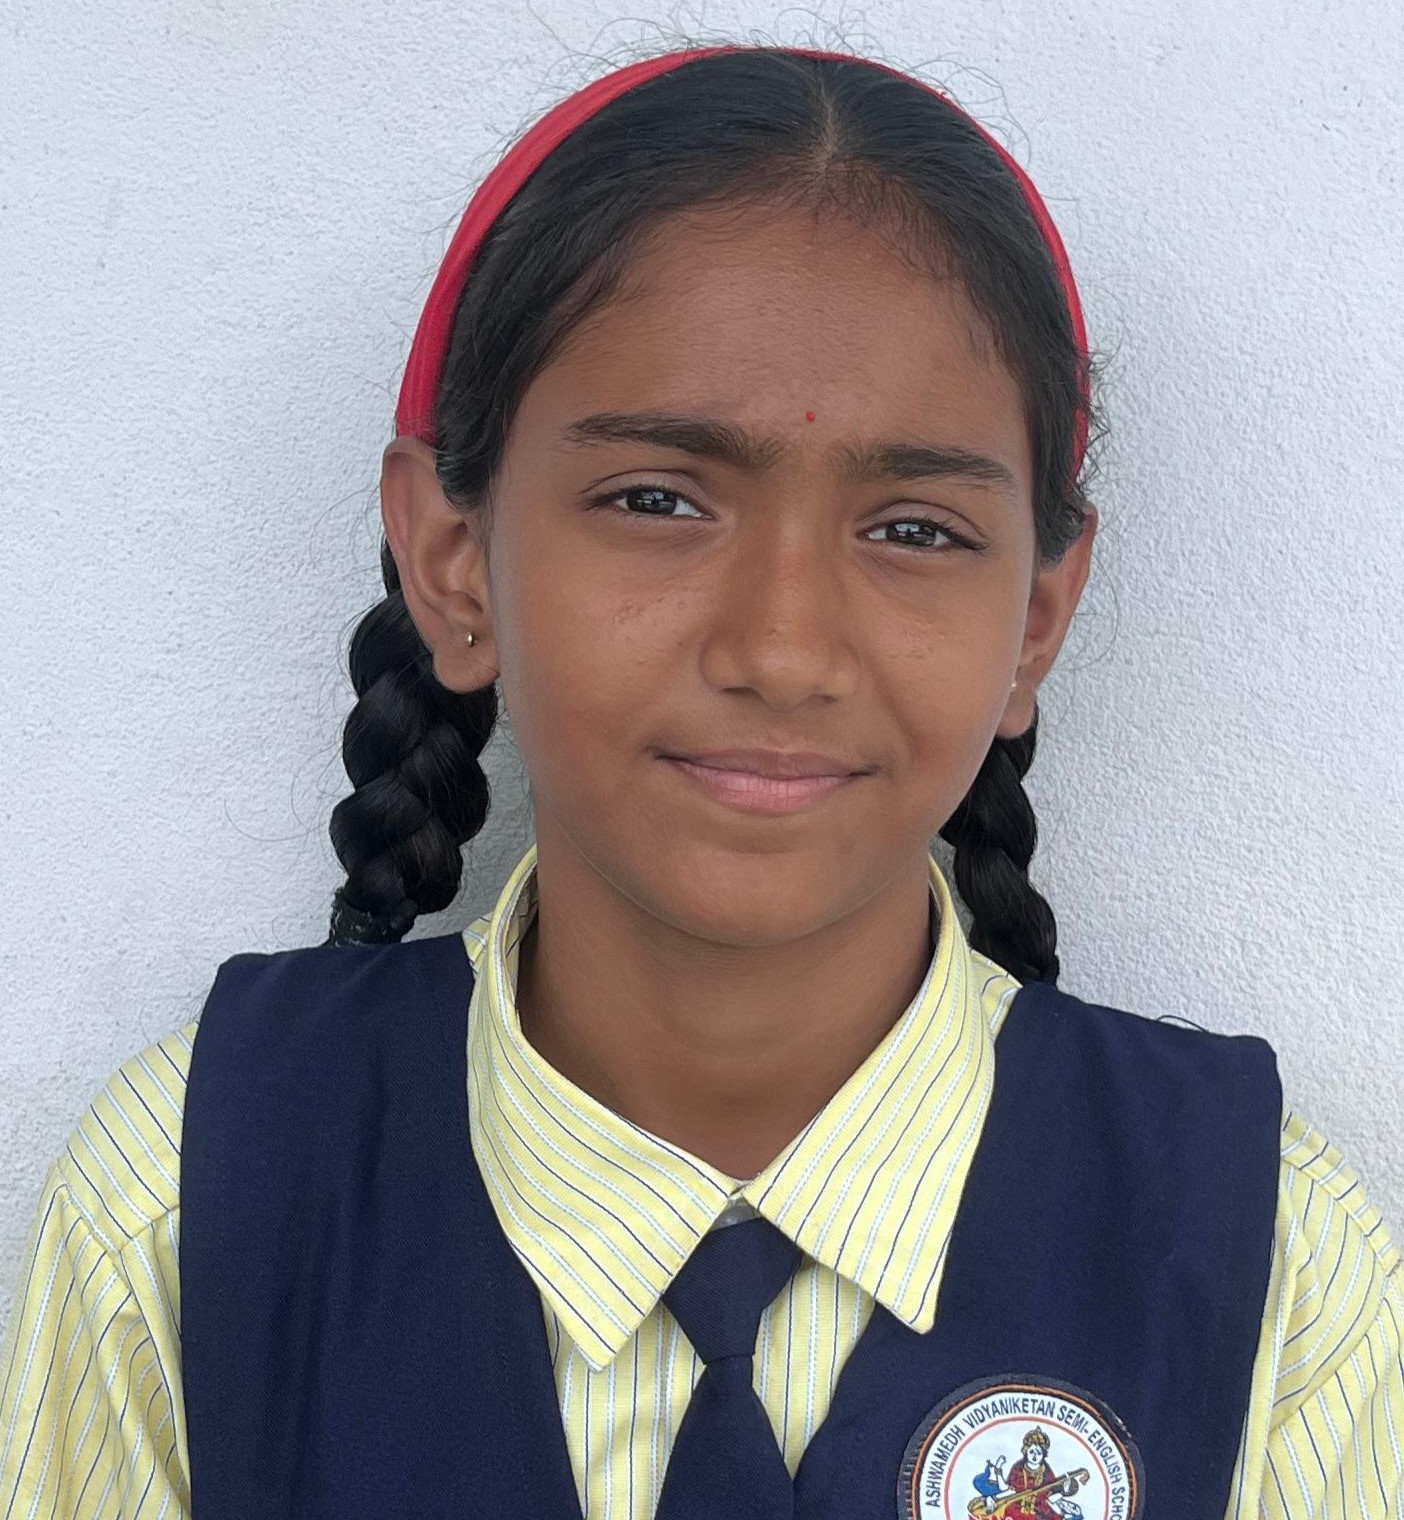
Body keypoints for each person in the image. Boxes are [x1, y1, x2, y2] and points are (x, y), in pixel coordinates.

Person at [1, 40, 1400, 1520]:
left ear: (1037, 620)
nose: (783, 651)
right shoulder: (187, 1201)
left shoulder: (1269, 1266)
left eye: (915, 529)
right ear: (453, 560)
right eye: (657, 500)